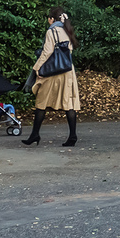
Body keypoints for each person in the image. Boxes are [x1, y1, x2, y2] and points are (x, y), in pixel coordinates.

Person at [23, 9, 80, 147]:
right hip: (67, 70)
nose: (48, 21)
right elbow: (69, 49)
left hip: (53, 71)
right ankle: (72, 135)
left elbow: (47, 52)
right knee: (69, 103)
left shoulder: (51, 31)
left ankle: (35, 134)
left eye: (48, 18)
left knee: (41, 101)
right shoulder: (67, 30)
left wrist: (37, 68)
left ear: (52, 19)